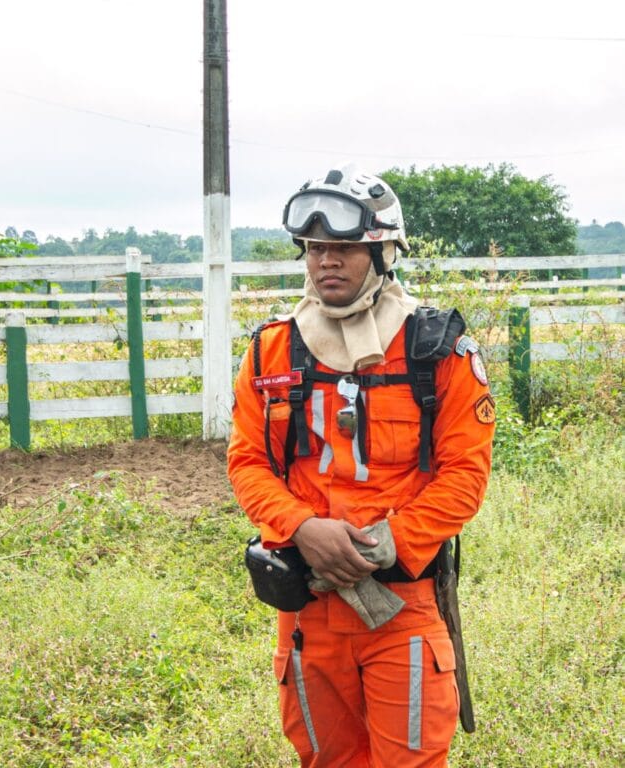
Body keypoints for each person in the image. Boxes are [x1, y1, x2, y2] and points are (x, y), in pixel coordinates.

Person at [227, 165, 496, 767]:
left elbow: (464, 478)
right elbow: (246, 461)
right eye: (316, 248)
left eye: (345, 248)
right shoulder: (271, 350)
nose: (327, 261)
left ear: (382, 253)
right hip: (306, 612)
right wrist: (302, 529)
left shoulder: (437, 350)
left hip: (400, 609)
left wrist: (381, 545)